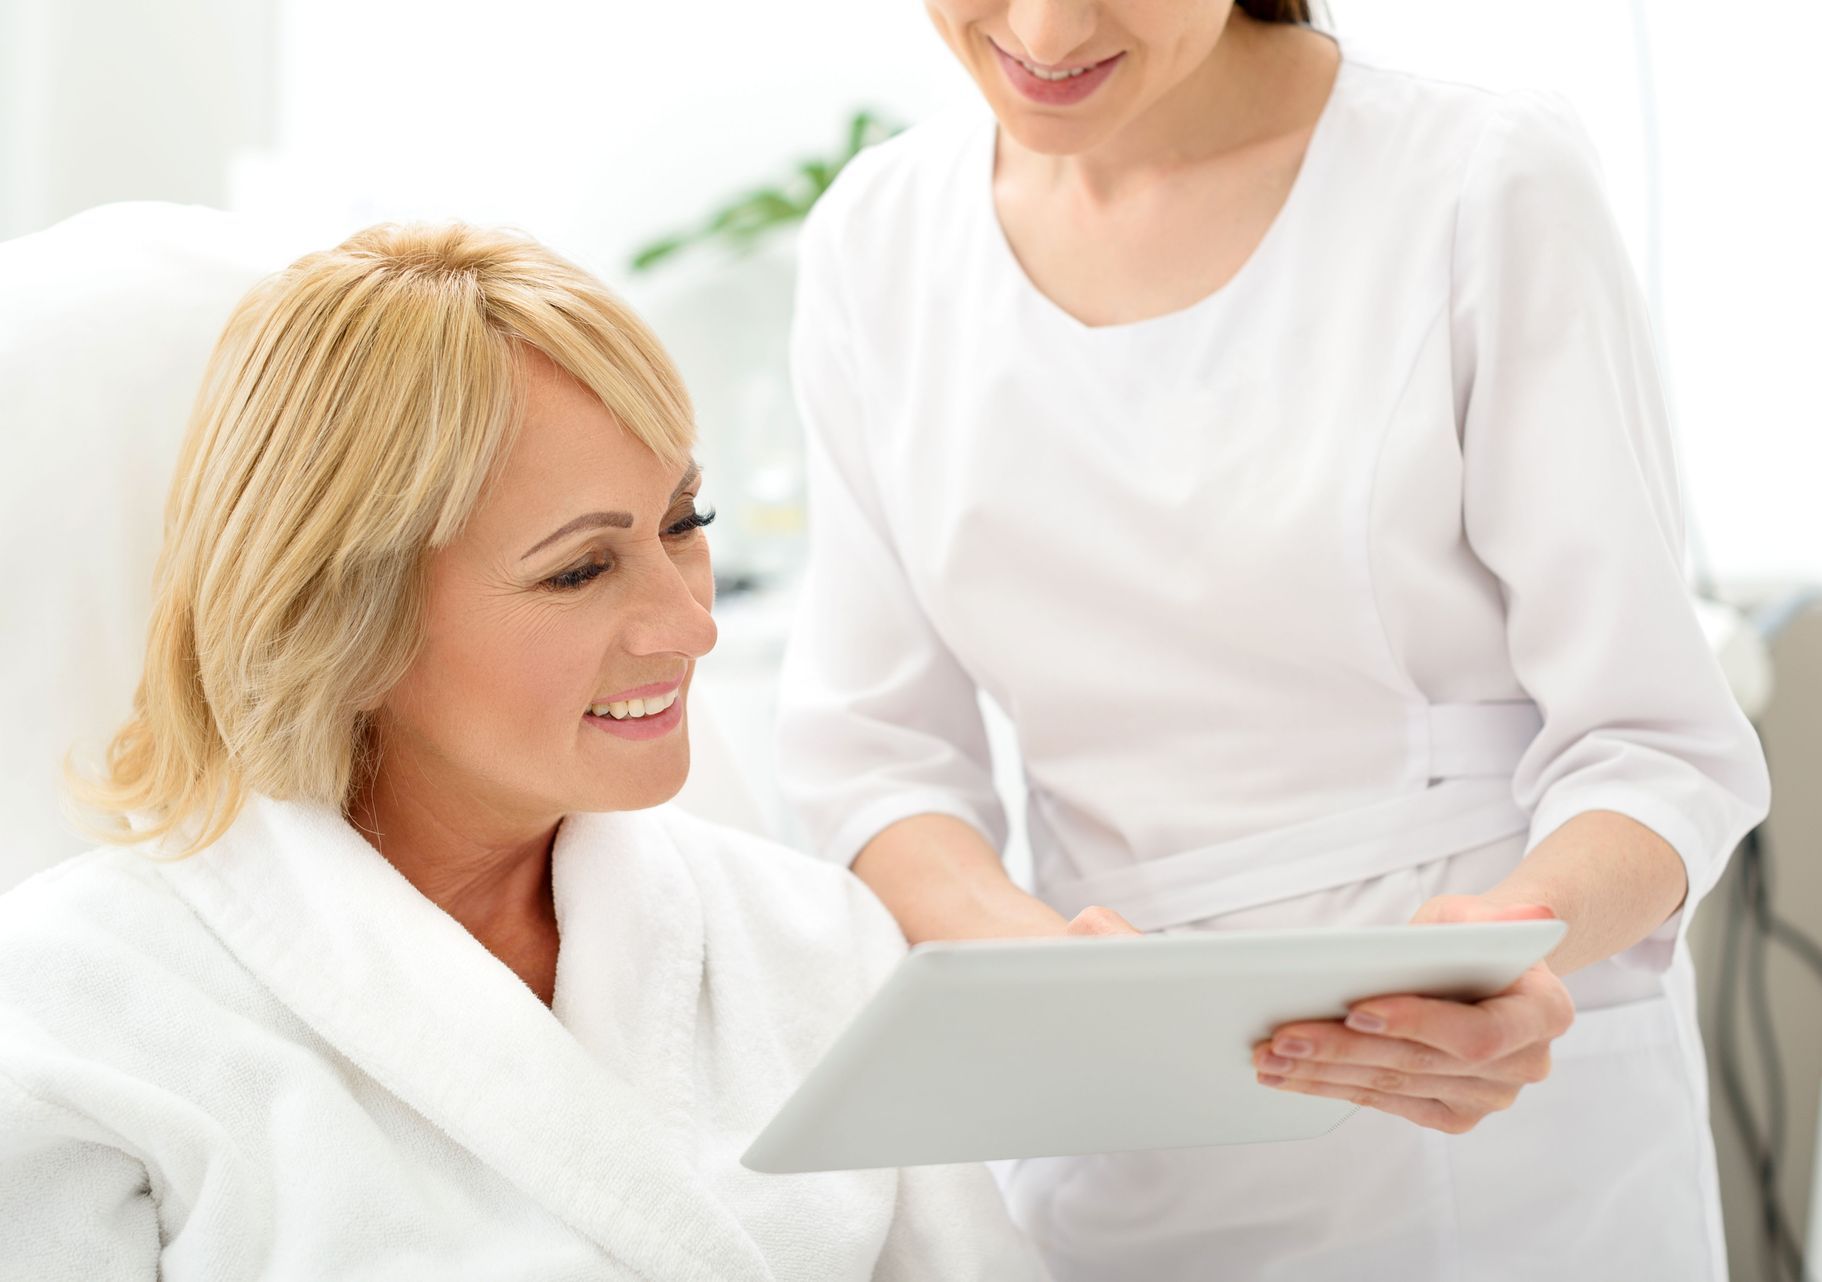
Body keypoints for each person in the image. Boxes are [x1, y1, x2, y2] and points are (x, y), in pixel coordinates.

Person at [775, 2, 1771, 1278]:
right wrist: (1045, 977)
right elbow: (875, 759)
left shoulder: (1474, 177)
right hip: (1120, 1134)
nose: (1043, 26)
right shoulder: (880, 240)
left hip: (1484, 1126)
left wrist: (1498, 950)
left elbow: (1658, 742)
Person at [0, 223, 1048, 1281]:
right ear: (347, 620)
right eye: (581, 570)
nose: (692, 623)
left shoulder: (814, 941)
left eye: (686, 521)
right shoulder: (70, 1010)